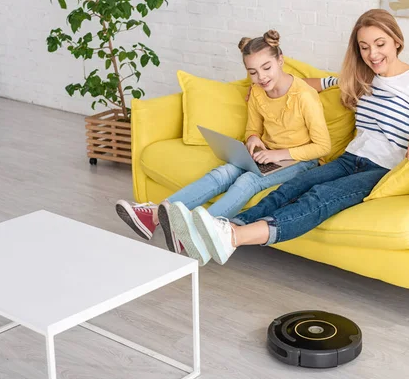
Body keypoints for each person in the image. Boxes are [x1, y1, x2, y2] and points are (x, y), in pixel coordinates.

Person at [173, 8, 409, 266]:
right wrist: (266, 86)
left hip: (384, 169)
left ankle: (232, 235)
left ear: (397, 41)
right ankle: (223, 229)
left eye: (380, 44)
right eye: (364, 47)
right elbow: (310, 83)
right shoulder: (361, 76)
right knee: (292, 187)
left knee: (319, 198)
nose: (373, 54)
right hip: (350, 159)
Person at [116, 29, 331, 265]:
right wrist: (253, 139)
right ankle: (156, 215)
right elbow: (252, 128)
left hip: (301, 161)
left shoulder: (304, 96)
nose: (261, 77)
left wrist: (278, 154)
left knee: (248, 181)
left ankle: (195, 235)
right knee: (223, 172)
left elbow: (322, 146)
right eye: (253, 72)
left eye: (267, 67)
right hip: (267, 154)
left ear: (281, 60)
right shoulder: (258, 92)